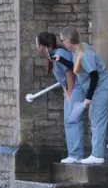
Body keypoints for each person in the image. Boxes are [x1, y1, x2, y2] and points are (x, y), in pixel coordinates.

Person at [55, 26, 108, 165]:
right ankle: (99, 151)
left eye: (63, 40)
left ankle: (97, 155)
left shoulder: (84, 52)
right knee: (95, 119)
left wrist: (88, 97)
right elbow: (76, 67)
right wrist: (60, 60)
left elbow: (94, 75)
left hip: (101, 87)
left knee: (97, 119)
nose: (62, 43)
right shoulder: (77, 49)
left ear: (69, 40)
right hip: (97, 88)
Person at [36, 32, 86, 164]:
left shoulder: (59, 53)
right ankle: (73, 154)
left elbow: (70, 74)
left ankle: (77, 155)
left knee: (73, 119)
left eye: (37, 43)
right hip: (70, 88)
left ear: (42, 45)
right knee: (68, 120)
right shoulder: (51, 56)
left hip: (76, 86)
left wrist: (69, 94)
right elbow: (62, 79)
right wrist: (66, 92)